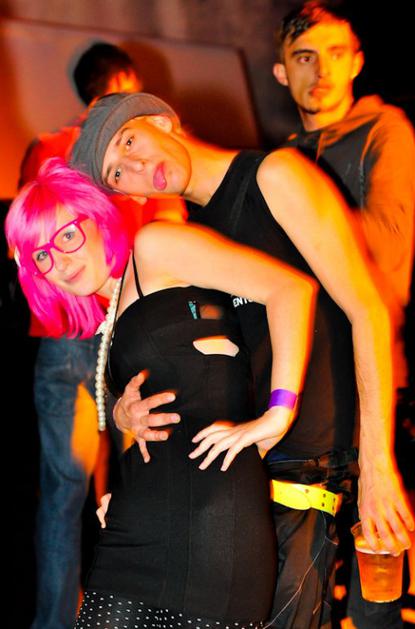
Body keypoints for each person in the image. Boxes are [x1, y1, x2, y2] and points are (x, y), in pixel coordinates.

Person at [70, 91, 414, 629]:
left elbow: (367, 309)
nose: (134, 168)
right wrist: (125, 417)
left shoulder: (273, 176)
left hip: (307, 466)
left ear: (163, 120)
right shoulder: (190, 233)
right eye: (117, 173)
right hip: (241, 475)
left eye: (130, 141)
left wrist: (377, 466)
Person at [6, 157, 317, 627]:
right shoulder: (111, 309)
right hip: (137, 525)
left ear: (95, 217)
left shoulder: (153, 247)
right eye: (41, 256)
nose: (59, 261)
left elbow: (291, 290)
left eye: (66, 236)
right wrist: (125, 435)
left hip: (213, 520)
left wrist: (278, 414)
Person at [20, 42, 185, 629]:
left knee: (65, 495)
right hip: (125, 326)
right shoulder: (132, 154)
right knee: (140, 482)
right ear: (124, 83)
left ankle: (57, 622)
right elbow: (173, 228)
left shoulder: (46, 148)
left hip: (62, 334)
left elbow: (30, 242)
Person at [272, 2, 415, 626]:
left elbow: (390, 244)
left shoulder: (386, 131)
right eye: (305, 57)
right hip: (308, 387)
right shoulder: (284, 156)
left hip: (373, 382)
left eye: (335, 54)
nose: (321, 71)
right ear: (282, 72)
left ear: (357, 62)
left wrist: (298, 210)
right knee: (299, 579)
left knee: (374, 579)